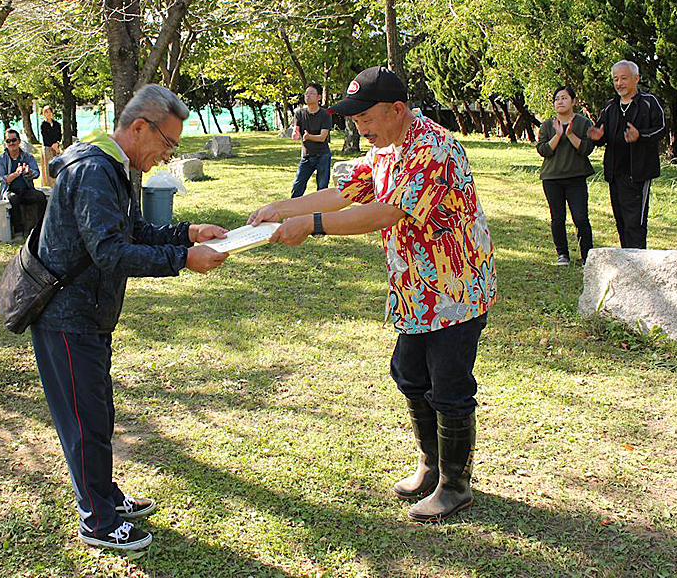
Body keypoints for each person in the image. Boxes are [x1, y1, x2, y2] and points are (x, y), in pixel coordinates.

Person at [249, 66, 497, 523]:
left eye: (366, 117)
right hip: (415, 290)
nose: (360, 127)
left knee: (449, 385)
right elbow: (343, 193)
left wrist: (311, 226)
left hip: (455, 290)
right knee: (409, 373)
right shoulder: (385, 149)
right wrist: (280, 208)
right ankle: (431, 466)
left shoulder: (434, 147)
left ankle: (455, 485)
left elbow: (386, 212)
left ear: (397, 109)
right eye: (355, 118)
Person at [28, 84, 229, 553]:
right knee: (84, 422)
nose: (168, 155)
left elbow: (133, 230)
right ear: (139, 127)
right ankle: (97, 521)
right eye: (168, 143)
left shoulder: (114, 166)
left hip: (91, 314)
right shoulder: (95, 170)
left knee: (97, 413)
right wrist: (183, 258)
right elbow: (110, 252)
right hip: (67, 316)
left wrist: (188, 232)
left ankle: (105, 496)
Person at [587, 61, 666, 249]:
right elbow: (601, 134)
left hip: (638, 173)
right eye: (615, 79)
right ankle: (626, 259)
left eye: (623, 78)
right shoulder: (610, 106)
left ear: (636, 79)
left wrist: (640, 136)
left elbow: (661, 129)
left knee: (635, 223)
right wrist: (597, 137)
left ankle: (638, 261)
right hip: (615, 173)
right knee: (621, 220)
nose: (619, 83)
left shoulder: (649, 102)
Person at [535, 86, 595, 265]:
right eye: (557, 99)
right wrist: (558, 135)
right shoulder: (548, 125)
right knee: (557, 218)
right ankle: (562, 254)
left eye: (564, 98)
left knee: (581, 218)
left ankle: (587, 255)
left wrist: (570, 135)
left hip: (576, 178)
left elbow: (586, 149)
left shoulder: (583, 123)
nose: (560, 102)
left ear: (573, 101)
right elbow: (543, 150)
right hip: (552, 178)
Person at [0, 128, 47, 236]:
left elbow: (36, 173)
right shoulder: (1, 159)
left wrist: (29, 172)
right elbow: (2, 179)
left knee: (41, 197)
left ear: (19, 141)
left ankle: (41, 228)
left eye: (14, 140)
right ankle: (18, 231)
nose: (11, 143)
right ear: (5, 143)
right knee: (14, 199)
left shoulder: (28, 157)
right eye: (8, 141)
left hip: (26, 190)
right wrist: (16, 174)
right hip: (10, 190)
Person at [290, 82, 333, 198]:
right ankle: (293, 209)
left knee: (322, 188)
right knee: (297, 187)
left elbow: (322, 137)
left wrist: (309, 137)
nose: (308, 96)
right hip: (306, 156)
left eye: (311, 93)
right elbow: (296, 128)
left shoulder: (325, 114)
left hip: (322, 155)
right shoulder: (299, 113)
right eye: (306, 93)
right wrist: (295, 133)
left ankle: (322, 209)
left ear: (319, 97)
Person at [40, 105, 63, 184]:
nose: (49, 114)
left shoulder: (57, 124)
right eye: (46, 112)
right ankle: (49, 183)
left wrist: (57, 144)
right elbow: (46, 138)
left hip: (56, 147)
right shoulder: (43, 125)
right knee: (48, 166)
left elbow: (59, 135)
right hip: (48, 147)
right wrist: (53, 146)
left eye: (50, 112)